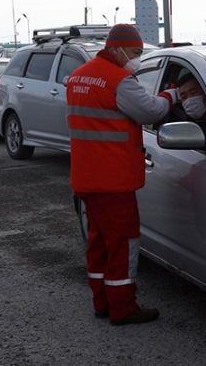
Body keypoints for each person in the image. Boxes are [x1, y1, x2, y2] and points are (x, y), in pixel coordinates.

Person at [66, 24, 177, 326]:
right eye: (135, 52)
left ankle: (102, 302)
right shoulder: (118, 80)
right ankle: (123, 308)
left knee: (99, 243)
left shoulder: (79, 77)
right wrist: (172, 95)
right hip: (113, 180)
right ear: (117, 48)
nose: (137, 59)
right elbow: (151, 111)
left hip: (86, 177)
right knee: (123, 244)